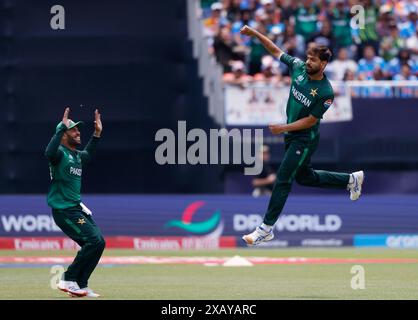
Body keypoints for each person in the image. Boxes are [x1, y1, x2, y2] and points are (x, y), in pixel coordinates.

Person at [239, 25, 364, 246]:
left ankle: (265, 229)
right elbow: (275, 50)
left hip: (304, 138)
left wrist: (283, 128)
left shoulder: (325, 92)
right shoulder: (298, 68)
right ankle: (351, 180)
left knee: (283, 178)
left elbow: (311, 121)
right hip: (292, 135)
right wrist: (254, 34)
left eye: (313, 60)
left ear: (323, 64)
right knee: (305, 177)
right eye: (307, 57)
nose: (307, 62)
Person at [45, 107, 105, 297]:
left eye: (78, 129)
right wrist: (60, 130)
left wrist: (96, 135)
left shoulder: (77, 156)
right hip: (64, 210)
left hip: (76, 208)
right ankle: (67, 279)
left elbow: (88, 153)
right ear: (63, 134)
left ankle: (80, 284)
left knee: (99, 243)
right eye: (73, 130)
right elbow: (49, 153)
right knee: (92, 240)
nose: (78, 132)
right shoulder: (59, 154)